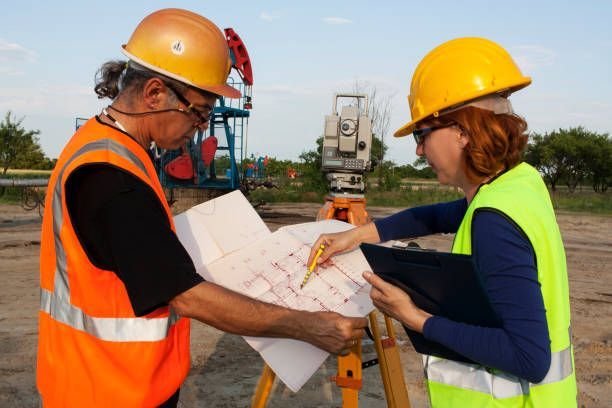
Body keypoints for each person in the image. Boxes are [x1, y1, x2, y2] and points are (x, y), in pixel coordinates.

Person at [37, 9, 367, 407]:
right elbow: (184, 295)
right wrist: (306, 326)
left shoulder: (106, 145)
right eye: (199, 113)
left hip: (101, 379)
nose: (200, 127)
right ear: (154, 92)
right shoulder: (112, 178)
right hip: (109, 389)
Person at [308, 37, 577, 407]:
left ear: (464, 132)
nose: (419, 150)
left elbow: (528, 357)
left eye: (423, 134)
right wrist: (358, 234)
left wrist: (413, 316)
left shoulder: (494, 221)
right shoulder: (518, 184)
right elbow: (435, 215)